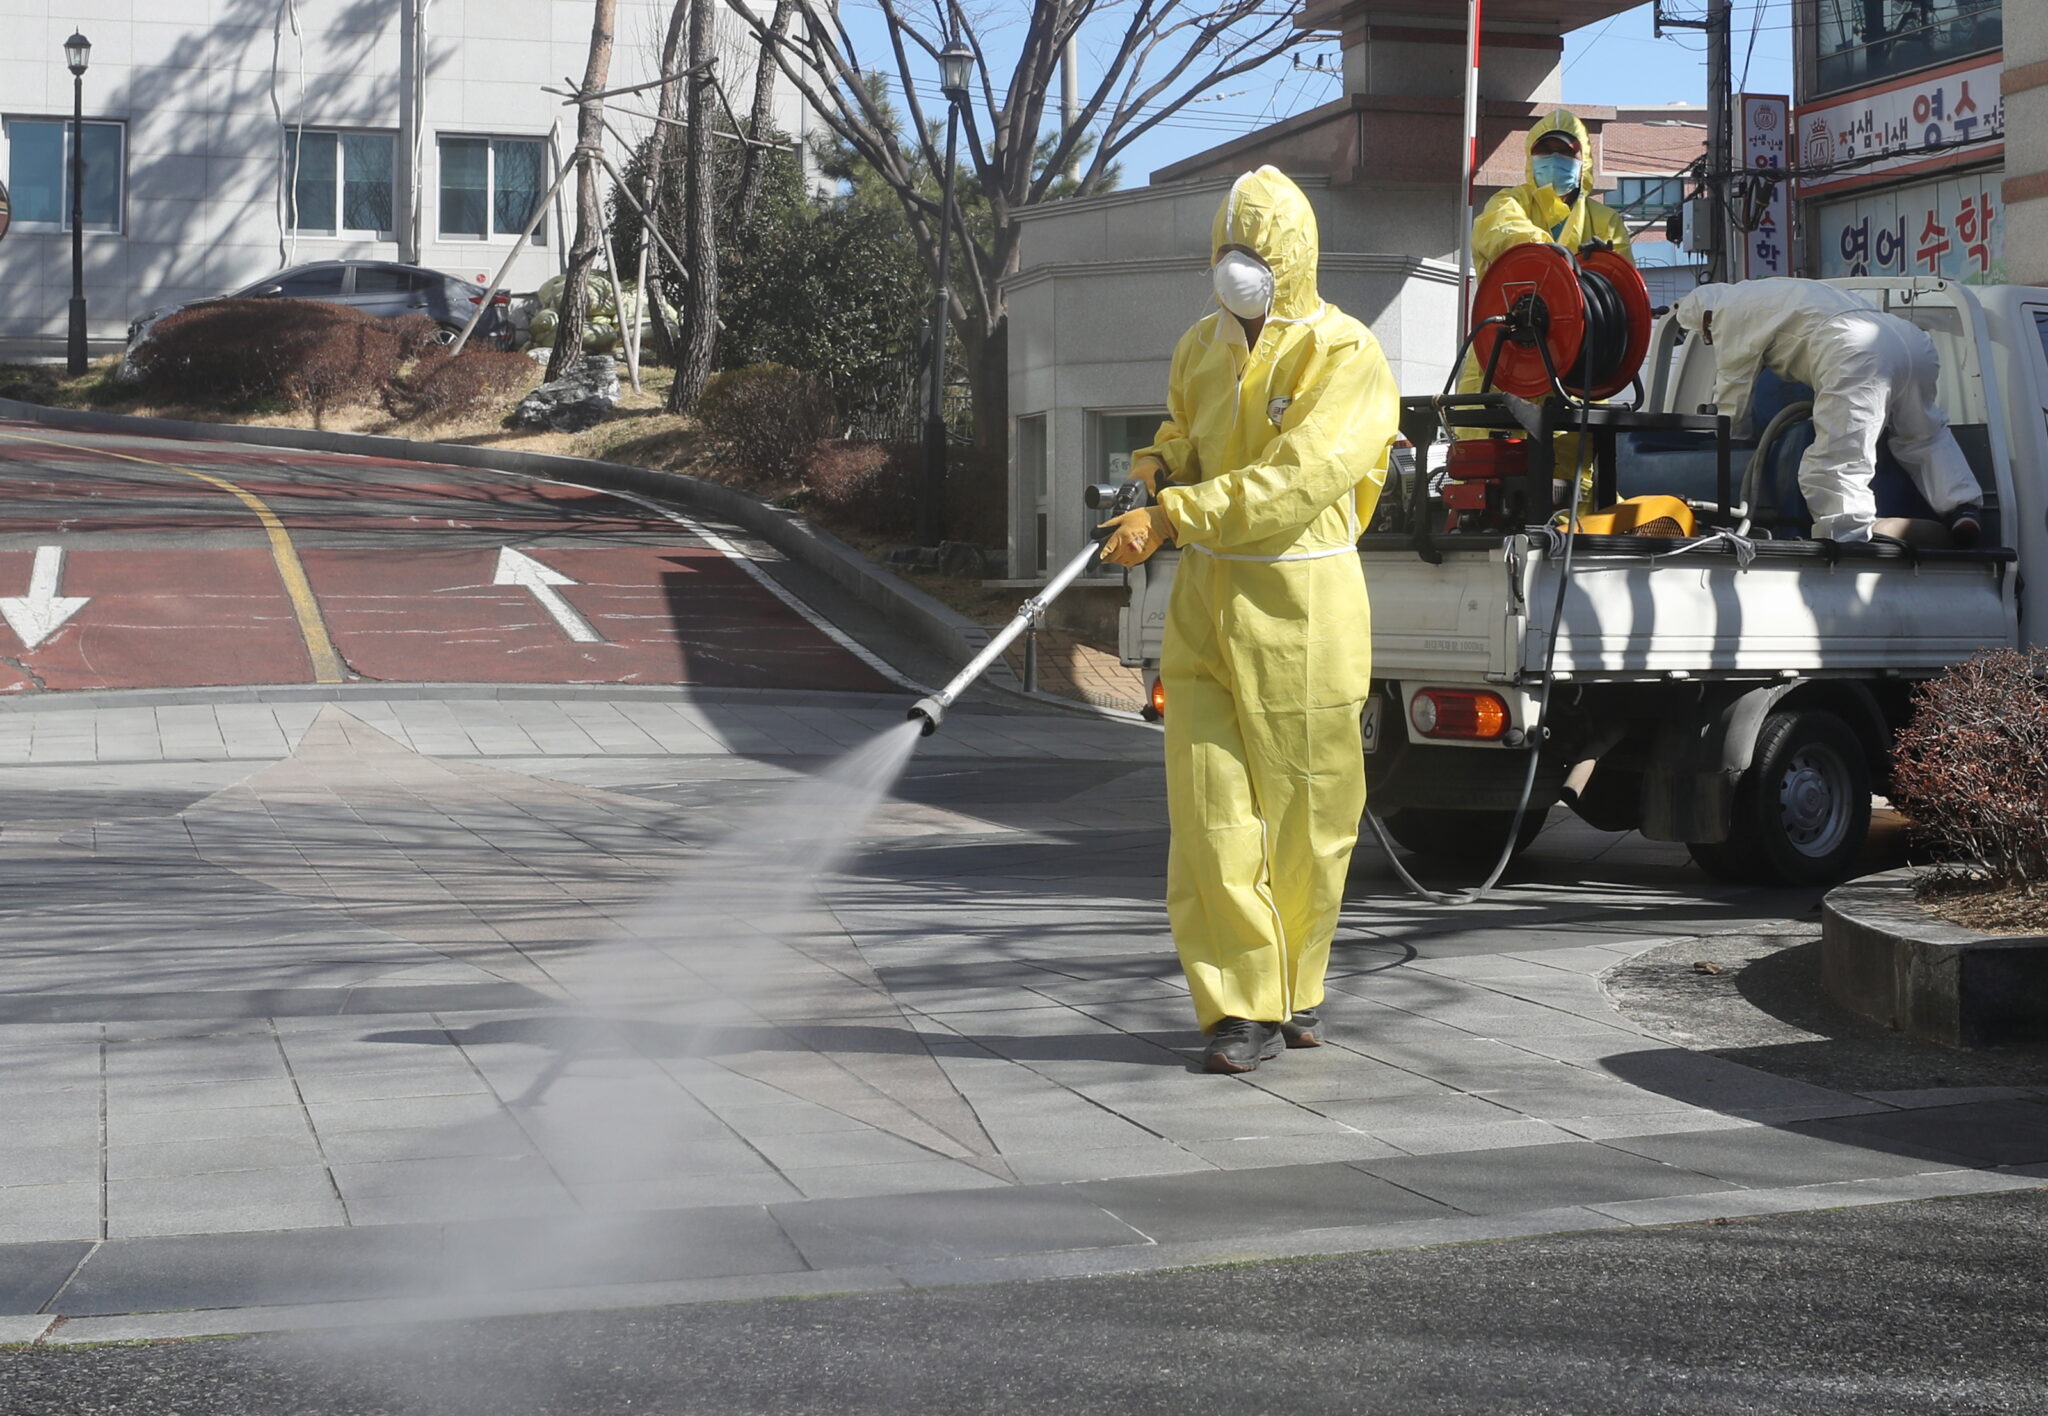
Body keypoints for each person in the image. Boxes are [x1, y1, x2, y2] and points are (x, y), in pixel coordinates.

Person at [1094, 167, 1400, 1074]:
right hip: (1204, 608)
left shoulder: (1346, 355)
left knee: (1309, 819)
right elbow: (1184, 435)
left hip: (1303, 608)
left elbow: (1296, 482)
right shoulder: (1200, 345)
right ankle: (1240, 1008)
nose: (1241, 270)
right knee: (1210, 815)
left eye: (1258, 255)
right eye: (1230, 251)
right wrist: (1148, 477)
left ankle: (1297, 985)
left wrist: (1175, 516)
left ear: (1294, 258)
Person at [1670, 279, 1983, 545]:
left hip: (1855, 348)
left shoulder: (1727, 312)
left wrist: (1729, 444)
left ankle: (1849, 538)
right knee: (1923, 436)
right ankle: (1963, 508)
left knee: (1836, 460)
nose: (1709, 339)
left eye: (1704, 333)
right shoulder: (1770, 290)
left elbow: (1733, 393)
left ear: (1706, 317)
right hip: (1910, 341)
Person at [1457, 108, 1635, 509]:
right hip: (1501, 362)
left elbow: (1621, 290)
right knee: (1490, 475)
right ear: (1529, 158)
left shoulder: (1605, 222)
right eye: (1544, 152)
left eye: (1564, 154)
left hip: (1577, 369)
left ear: (1582, 162)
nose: (1553, 162)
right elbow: (1502, 232)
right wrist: (1550, 252)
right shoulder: (1509, 203)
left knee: (1570, 484)